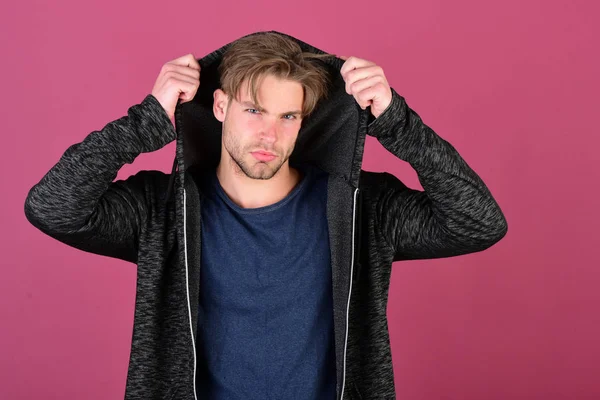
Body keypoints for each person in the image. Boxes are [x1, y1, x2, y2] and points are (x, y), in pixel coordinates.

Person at [24, 31, 508, 400]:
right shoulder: (161, 208)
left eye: (287, 117)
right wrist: (147, 119)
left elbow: (479, 222)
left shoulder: (363, 208)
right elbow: (53, 206)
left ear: (304, 122)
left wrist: (399, 123)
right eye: (254, 110)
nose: (269, 135)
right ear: (219, 106)